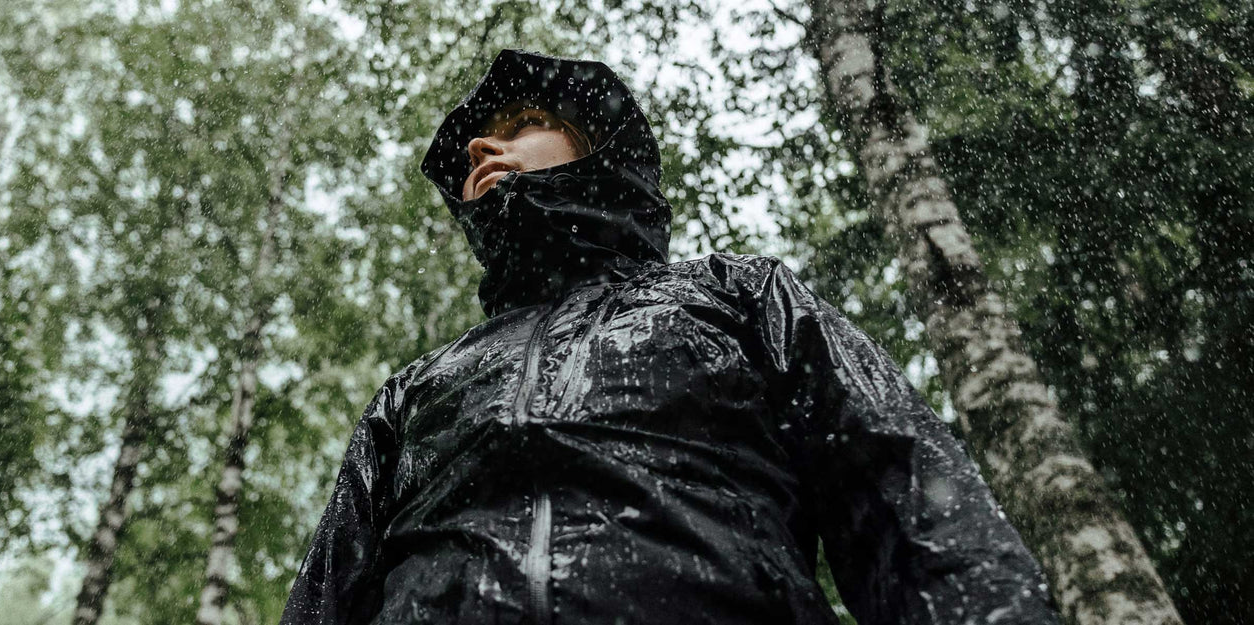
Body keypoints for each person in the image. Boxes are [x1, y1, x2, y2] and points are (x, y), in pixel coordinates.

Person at [280, 49, 1059, 625]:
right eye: (481, 141)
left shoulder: (738, 294)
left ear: (599, 151)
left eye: (524, 124)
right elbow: (322, 604)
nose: (484, 148)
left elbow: (909, 493)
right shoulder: (415, 391)